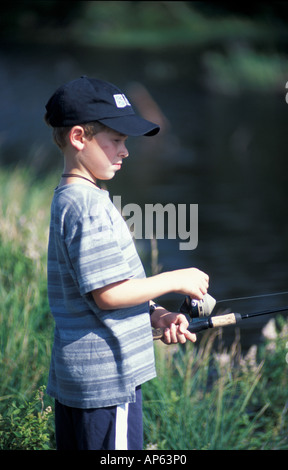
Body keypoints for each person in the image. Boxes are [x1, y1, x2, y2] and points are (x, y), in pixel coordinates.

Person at [44, 76, 209, 450]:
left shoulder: (75, 197)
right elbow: (108, 294)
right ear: (78, 138)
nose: (125, 151)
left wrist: (155, 314)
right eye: (116, 140)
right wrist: (175, 277)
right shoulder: (87, 205)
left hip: (84, 379)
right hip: (107, 381)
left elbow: (104, 285)